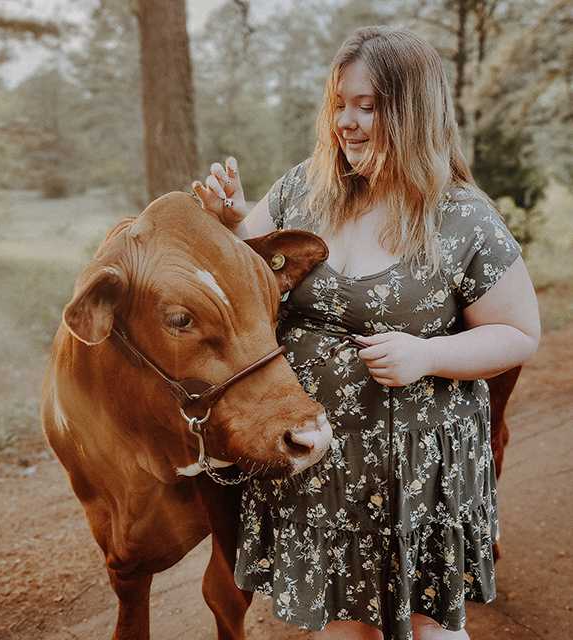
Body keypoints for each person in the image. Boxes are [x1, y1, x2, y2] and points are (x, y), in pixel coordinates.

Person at [193, 25, 540, 640]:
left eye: (368, 106)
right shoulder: (306, 187)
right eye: (339, 104)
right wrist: (233, 218)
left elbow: (518, 332)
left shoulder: (461, 218)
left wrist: (428, 353)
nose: (346, 122)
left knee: (430, 629)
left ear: (411, 110)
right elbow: (255, 274)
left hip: (414, 473)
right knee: (340, 630)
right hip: (320, 462)